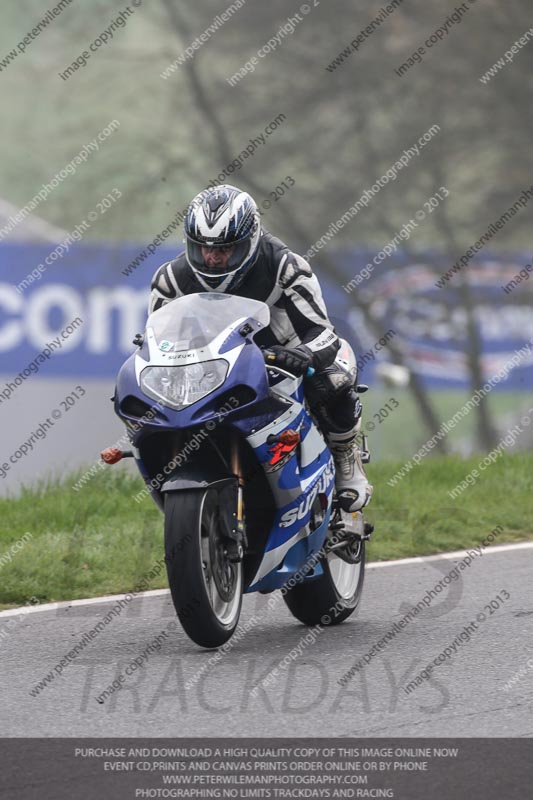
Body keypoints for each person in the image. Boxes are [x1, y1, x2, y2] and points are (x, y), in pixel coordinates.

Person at [148, 184, 373, 512]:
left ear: (250, 240)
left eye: (226, 249)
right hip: (215, 364)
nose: (212, 258)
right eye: (202, 248)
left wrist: (304, 356)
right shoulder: (170, 279)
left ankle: (345, 459)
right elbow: (155, 339)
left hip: (285, 356)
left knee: (332, 379)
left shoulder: (285, 266)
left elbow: (321, 331)